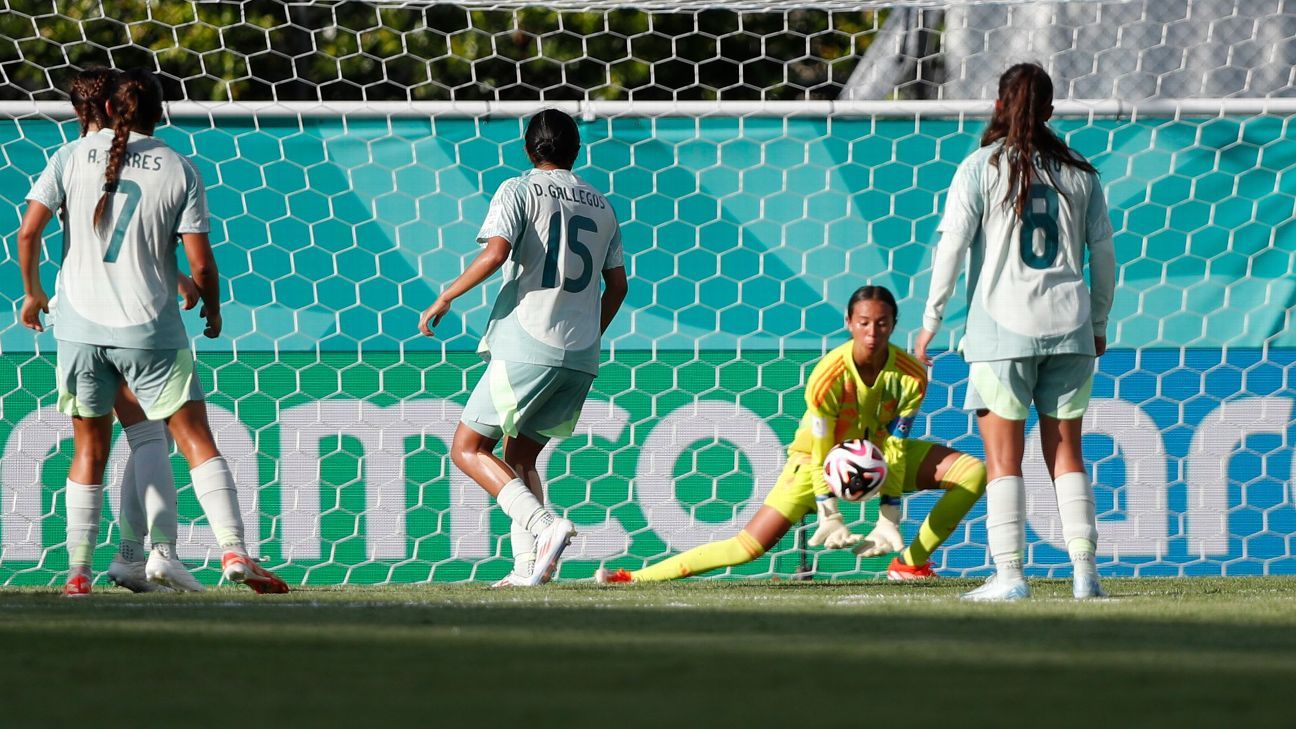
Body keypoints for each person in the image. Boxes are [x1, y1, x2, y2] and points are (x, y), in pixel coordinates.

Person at [18, 68, 288, 596]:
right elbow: (202, 263)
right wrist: (209, 303)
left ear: (110, 110)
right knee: (191, 439)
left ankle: (80, 572)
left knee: (93, 448)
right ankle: (231, 550)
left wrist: (32, 293)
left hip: (78, 327)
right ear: (158, 112)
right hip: (149, 328)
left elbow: (29, 231)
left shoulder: (71, 156)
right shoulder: (179, 167)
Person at [595, 285, 988, 585]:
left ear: (893, 325)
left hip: (880, 458)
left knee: (972, 473)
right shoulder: (828, 377)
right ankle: (633, 577)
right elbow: (821, 450)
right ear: (849, 323)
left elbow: (898, 444)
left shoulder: (911, 373)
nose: (872, 333)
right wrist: (828, 511)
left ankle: (910, 563)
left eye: (881, 323)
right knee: (747, 548)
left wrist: (889, 517)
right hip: (813, 463)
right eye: (864, 323)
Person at [915, 63, 1116, 601]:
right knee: (1067, 453)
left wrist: (930, 320)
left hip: (1002, 330)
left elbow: (952, 250)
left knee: (1005, 460)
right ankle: (1085, 575)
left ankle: (1010, 576)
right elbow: (1106, 257)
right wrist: (1097, 323)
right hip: (1070, 326)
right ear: (1050, 110)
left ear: (999, 106)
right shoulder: (1082, 173)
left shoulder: (980, 167)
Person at [419, 108, 629, 587]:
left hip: (529, 342)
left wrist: (447, 294)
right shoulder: (601, 204)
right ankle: (527, 567)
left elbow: (496, 252)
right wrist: (588, 333)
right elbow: (617, 287)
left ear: (528, 149)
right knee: (520, 459)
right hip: (581, 354)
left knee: (468, 447)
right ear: (576, 151)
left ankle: (544, 526)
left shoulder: (518, 189)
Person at [65, 67, 203, 593]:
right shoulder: (98, 161)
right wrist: (181, 279)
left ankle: (100, 565)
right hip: (129, 320)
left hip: (77, 320)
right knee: (150, 435)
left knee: (131, 437)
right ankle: (159, 553)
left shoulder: (76, 159)